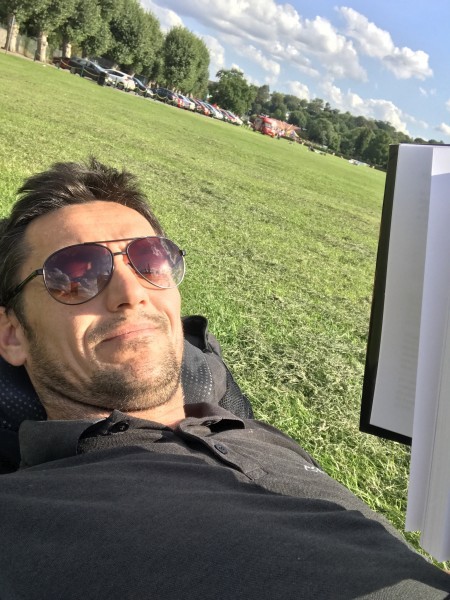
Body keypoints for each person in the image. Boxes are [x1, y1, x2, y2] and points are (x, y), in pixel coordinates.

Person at [0, 159, 449, 600]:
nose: (132, 293)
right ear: (12, 334)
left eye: (149, 261)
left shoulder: (246, 429)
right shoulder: (21, 516)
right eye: (75, 274)